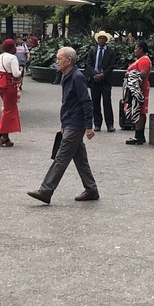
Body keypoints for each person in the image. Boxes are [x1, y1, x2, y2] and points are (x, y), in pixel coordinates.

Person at [27, 46, 98, 205]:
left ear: (69, 61)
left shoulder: (76, 77)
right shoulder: (66, 76)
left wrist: (89, 126)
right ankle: (91, 189)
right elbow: (68, 103)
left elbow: (86, 102)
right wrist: (64, 123)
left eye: (59, 59)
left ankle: (46, 190)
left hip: (76, 124)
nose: (57, 61)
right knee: (79, 158)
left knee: (62, 157)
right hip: (70, 122)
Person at [84, 31, 118, 131]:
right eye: (100, 38)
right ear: (97, 40)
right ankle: (97, 124)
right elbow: (88, 64)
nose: (102, 40)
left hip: (105, 80)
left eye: (104, 38)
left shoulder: (111, 52)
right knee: (95, 102)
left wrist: (103, 74)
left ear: (106, 40)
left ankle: (110, 124)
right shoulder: (92, 51)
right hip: (94, 80)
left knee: (107, 102)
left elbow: (111, 66)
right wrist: (94, 74)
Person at [0, 38, 23, 147]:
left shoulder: (1, 56)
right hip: (10, 85)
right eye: (14, 46)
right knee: (9, 110)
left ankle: (6, 137)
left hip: (1, 84)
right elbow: (15, 74)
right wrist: (21, 70)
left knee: (8, 108)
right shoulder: (13, 58)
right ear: (11, 48)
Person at [124, 39, 151, 145]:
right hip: (136, 88)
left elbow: (143, 73)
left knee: (140, 110)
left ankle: (138, 136)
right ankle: (139, 135)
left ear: (141, 49)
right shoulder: (141, 59)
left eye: (136, 49)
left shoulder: (144, 60)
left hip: (139, 89)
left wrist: (130, 74)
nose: (134, 51)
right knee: (138, 110)